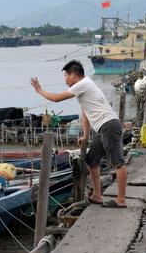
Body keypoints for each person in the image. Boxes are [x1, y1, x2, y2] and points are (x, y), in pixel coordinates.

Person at [30, 59, 127, 207]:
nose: (65, 80)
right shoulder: (84, 89)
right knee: (92, 160)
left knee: (118, 163)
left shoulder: (82, 84)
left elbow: (56, 99)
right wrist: (85, 136)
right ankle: (97, 195)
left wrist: (39, 91)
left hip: (109, 125)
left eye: (66, 76)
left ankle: (121, 200)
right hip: (103, 127)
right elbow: (86, 115)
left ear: (74, 75)